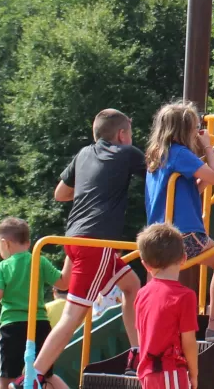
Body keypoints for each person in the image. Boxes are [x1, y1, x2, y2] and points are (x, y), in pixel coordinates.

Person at [35, 109, 145, 382]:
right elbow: (159, 172)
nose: (130, 138)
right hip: (97, 242)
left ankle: (136, 353)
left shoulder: (83, 154)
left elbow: (60, 193)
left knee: (131, 286)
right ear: (121, 134)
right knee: (73, 315)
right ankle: (32, 376)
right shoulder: (127, 154)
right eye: (129, 133)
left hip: (74, 239)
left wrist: (90, 187)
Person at [145, 101, 214, 338]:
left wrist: (207, 163)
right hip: (185, 234)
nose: (198, 134)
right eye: (195, 129)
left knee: (160, 286)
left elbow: (191, 191)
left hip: (156, 236)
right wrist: (208, 149)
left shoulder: (156, 156)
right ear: (184, 130)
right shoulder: (181, 154)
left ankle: (155, 333)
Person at [0, 218, 67, 389]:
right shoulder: (39, 260)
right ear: (28, 242)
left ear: (4, 243)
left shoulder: (3, 267)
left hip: (13, 327)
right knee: (46, 374)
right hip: (39, 325)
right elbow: (63, 283)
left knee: (6, 377)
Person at [131, 223, 200, 389]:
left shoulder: (142, 294)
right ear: (184, 258)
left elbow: (141, 335)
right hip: (171, 372)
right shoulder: (185, 296)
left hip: (147, 372)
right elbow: (188, 341)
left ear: (145, 264)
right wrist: (194, 373)